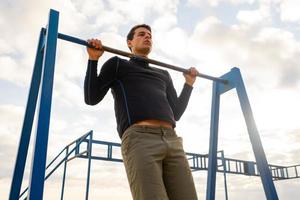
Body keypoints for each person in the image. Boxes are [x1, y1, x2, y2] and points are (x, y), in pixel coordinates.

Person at [84, 24, 198, 200]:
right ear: (130, 42)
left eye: (150, 35)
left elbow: (176, 114)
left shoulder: (163, 74)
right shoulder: (117, 64)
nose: (147, 37)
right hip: (140, 139)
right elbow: (91, 98)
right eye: (141, 34)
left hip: (172, 140)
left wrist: (188, 84)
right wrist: (93, 60)